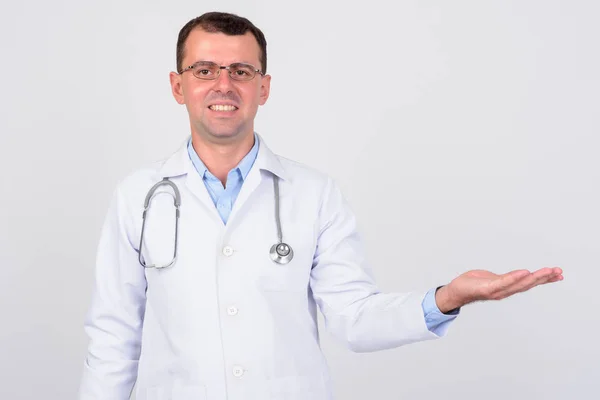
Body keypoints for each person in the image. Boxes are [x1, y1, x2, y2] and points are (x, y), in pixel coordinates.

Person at [78, 11, 563, 400]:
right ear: (177, 85)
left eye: (241, 71)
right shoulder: (137, 195)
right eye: (204, 70)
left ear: (263, 87)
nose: (223, 84)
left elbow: (354, 319)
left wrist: (446, 298)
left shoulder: (314, 193)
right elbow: (113, 337)